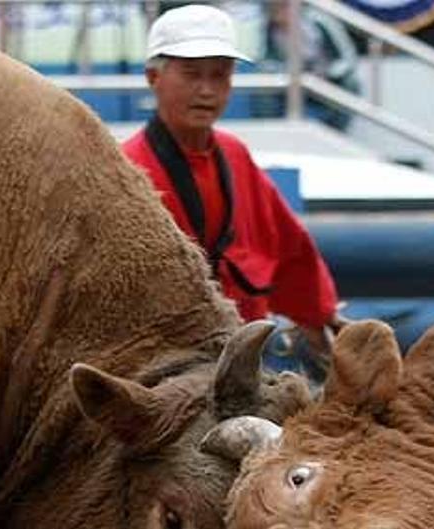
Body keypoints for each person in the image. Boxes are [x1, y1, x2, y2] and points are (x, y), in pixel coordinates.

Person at [122, 4, 344, 367]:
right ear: (153, 77)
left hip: (241, 361)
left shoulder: (234, 155)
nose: (206, 90)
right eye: (191, 74)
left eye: (220, 75)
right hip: (164, 370)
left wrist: (321, 319)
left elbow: (287, 246)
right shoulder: (129, 170)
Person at [261, 1, 361, 131]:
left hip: (326, 79)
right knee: (265, 89)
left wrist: (328, 73)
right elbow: (265, 63)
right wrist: (290, 73)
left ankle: (334, 132)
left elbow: (347, 58)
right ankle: (273, 133)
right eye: (274, 8)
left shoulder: (320, 21)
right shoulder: (268, 29)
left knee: (351, 84)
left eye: (283, 6)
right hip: (289, 82)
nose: (278, 12)